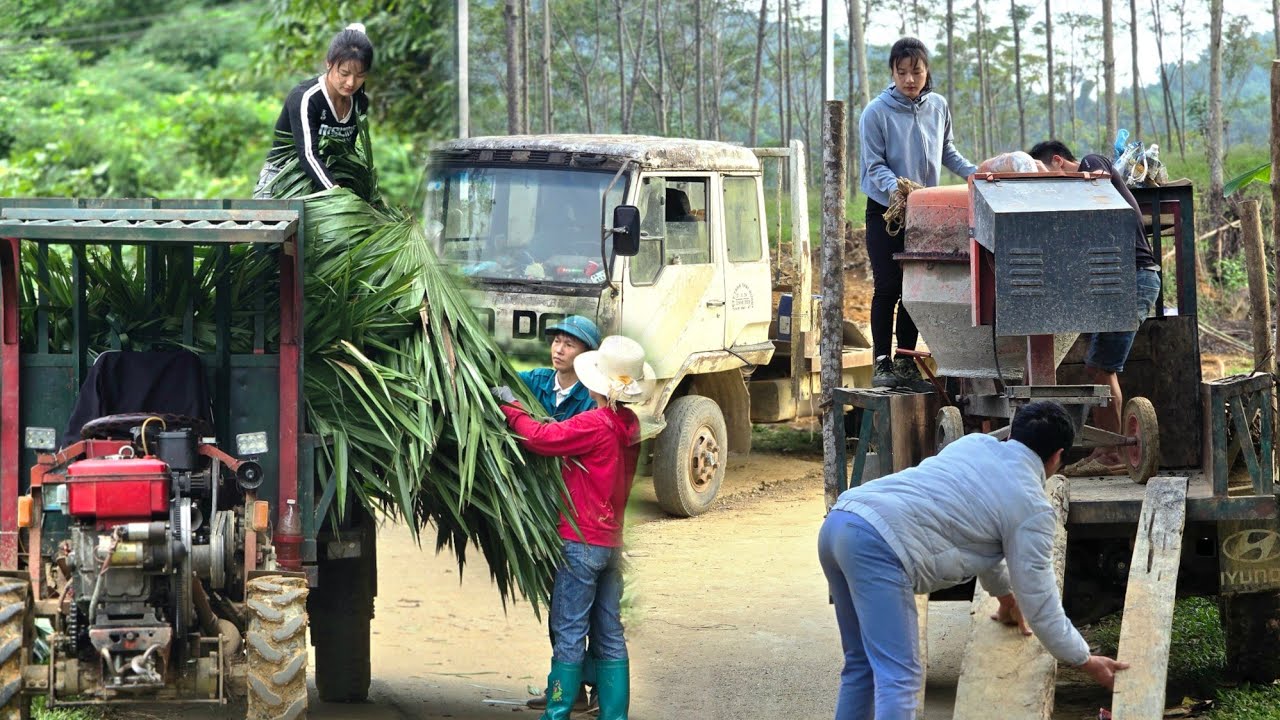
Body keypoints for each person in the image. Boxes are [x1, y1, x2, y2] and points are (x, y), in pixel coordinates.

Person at [817, 401, 1128, 719]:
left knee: (861, 664)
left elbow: (978, 540)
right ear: (1057, 456)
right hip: (879, 545)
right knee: (900, 678)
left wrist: (1006, 597)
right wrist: (1085, 659)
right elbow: (1041, 605)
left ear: (1013, 433)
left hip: (841, 522)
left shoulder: (973, 444)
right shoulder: (1031, 505)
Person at [492, 334, 654, 720]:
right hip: (610, 543)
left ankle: (558, 710)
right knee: (609, 632)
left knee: (568, 631)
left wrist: (511, 408)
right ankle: (614, 715)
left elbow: (539, 438)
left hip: (580, 542)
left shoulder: (595, 424)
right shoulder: (629, 425)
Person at [1028, 140, 1161, 476]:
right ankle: (1107, 449)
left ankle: (1112, 454)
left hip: (1133, 281)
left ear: (1058, 161)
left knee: (1103, 368)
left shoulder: (1091, 163)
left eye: (1044, 174)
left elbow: (1097, 186)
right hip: (1119, 283)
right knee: (1098, 367)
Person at [860, 37, 978, 391]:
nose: (910, 79)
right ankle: (882, 362)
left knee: (915, 287)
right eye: (902, 72)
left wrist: (976, 175)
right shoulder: (875, 112)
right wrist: (898, 189)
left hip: (926, 213)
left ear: (927, 72)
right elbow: (873, 165)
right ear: (892, 73)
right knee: (888, 286)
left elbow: (949, 153)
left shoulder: (938, 106)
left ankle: (905, 359)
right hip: (887, 211)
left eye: (917, 71)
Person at [517, 314, 602, 713]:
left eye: (570, 344)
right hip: (551, 516)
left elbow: (544, 438)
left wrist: (519, 415)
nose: (559, 348)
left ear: (587, 355)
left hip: (578, 523)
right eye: (556, 341)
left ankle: (570, 697)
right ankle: (575, 692)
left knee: (573, 619)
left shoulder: (593, 402)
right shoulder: (536, 382)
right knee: (567, 615)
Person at [254, 23, 374, 199]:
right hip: (283, 181)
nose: (351, 83)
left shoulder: (359, 103)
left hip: (327, 182)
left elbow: (346, 153)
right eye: (344, 73)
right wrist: (337, 194)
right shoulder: (306, 97)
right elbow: (308, 155)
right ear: (329, 63)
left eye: (360, 76)